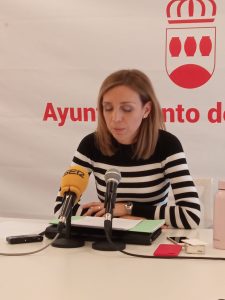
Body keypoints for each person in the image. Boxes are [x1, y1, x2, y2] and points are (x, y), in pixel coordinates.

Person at [55, 69, 201, 229]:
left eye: (127, 109)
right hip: (107, 243)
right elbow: (61, 209)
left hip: (152, 245)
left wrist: (126, 208)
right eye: (108, 108)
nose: (115, 118)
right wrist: (129, 219)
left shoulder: (167, 145)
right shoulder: (91, 144)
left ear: (146, 110)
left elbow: (191, 216)